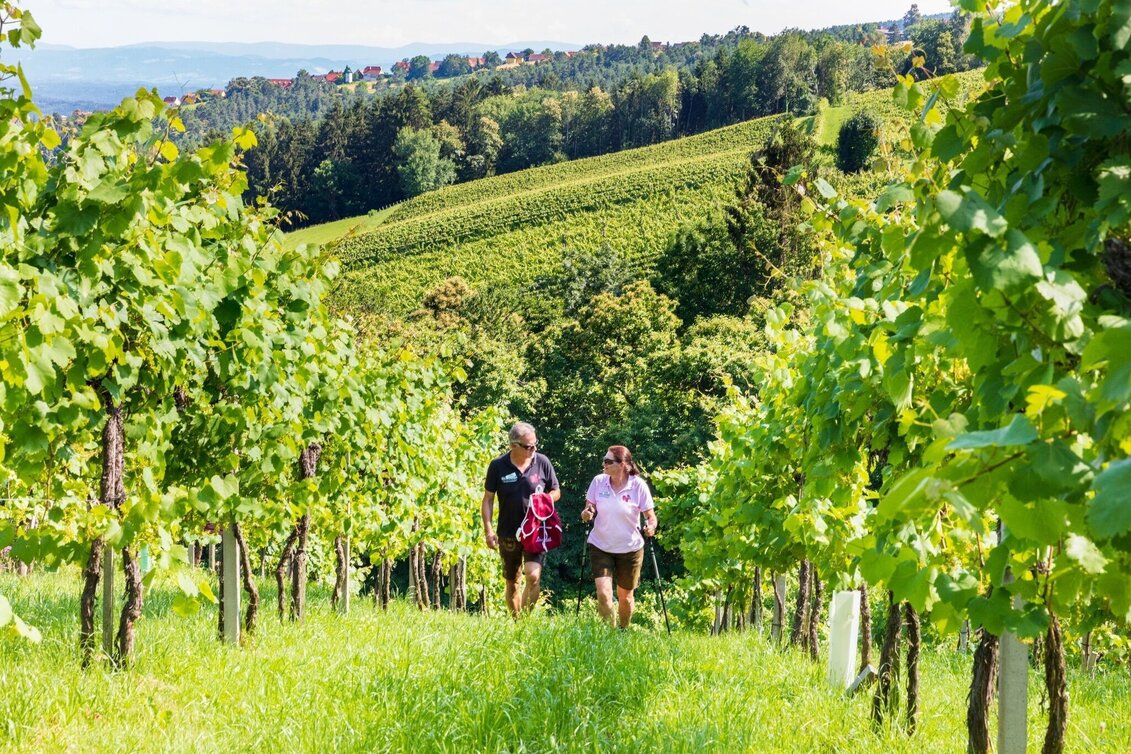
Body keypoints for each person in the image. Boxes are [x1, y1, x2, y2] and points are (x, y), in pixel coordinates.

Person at [482, 422, 560, 617]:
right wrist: (488, 530)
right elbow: (488, 499)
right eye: (528, 446)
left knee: (533, 576)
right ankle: (516, 621)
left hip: (536, 530)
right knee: (512, 582)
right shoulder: (498, 466)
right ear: (513, 445)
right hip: (508, 532)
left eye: (535, 444)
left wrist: (545, 499)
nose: (533, 449)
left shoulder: (542, 462)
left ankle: (525, 620)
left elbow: (556, 491)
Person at [581, 445, 657, 628]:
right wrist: (587, 513)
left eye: (608, 461)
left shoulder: (638, 486)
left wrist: (651, 527)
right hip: (600, 545)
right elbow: (589, 507)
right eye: (604, 460)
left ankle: (623, 632)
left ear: (623, 465)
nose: (604, 464)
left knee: (626, 597)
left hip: (630, 548)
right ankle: (609, 635)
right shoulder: (598, 482)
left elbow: (650, 516)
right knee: (603, 593)